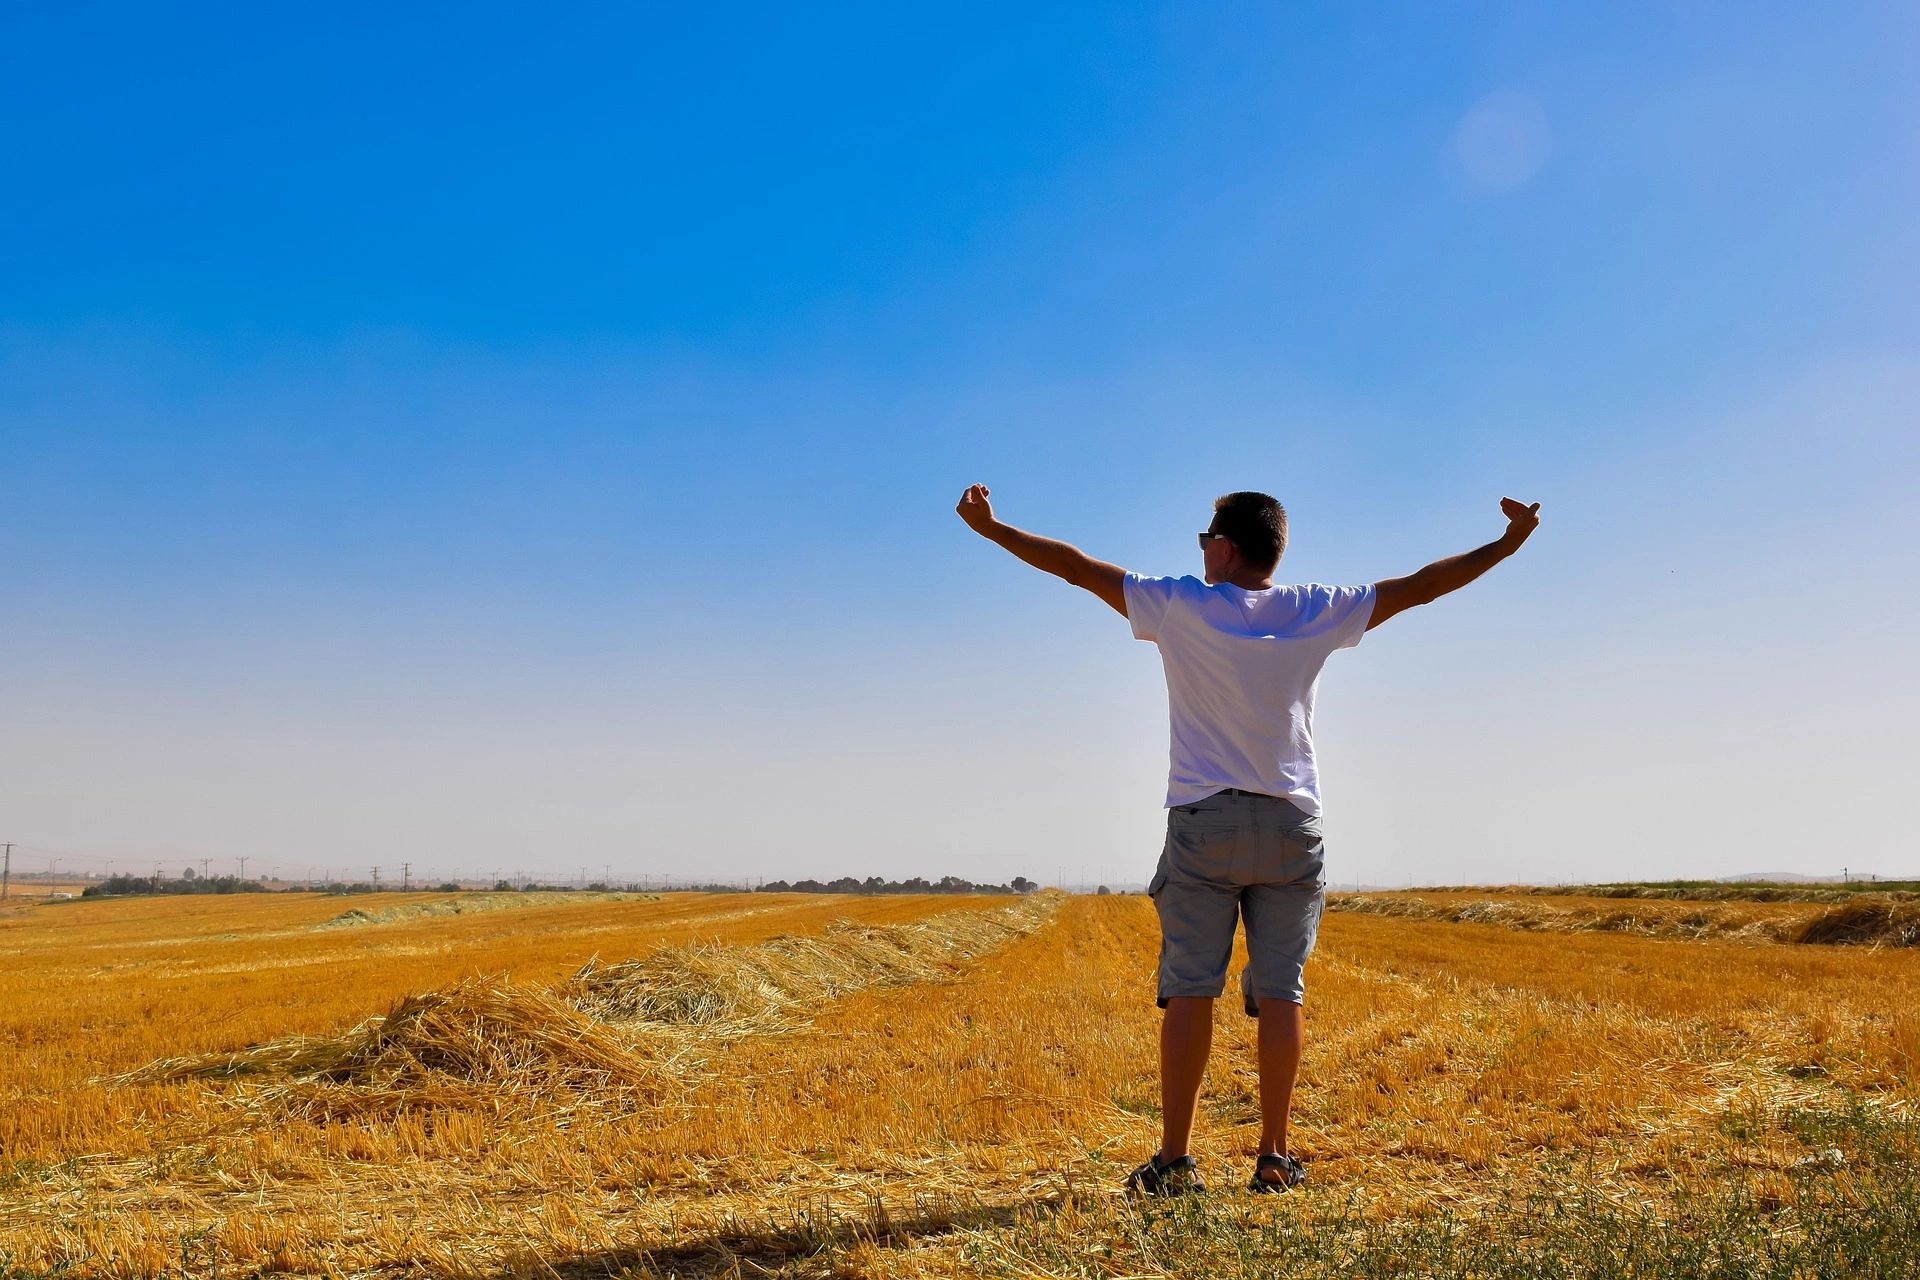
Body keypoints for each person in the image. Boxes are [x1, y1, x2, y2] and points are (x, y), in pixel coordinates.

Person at [954, 483, 1540, 1195]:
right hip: (1292, 825)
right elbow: (1422, 587)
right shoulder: (1318, 608)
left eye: (1205, 540)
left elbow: (1075, 567)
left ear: (1226, 548)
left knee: (1190, 988)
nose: (1200, 551)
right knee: (1282, 992)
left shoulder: (1179, 606)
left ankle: (1173, 1162)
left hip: (1205, 822)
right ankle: (1275, 1156)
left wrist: (992, 529)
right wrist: (1505, 547)